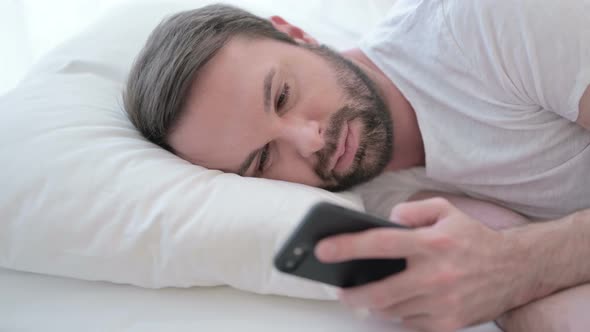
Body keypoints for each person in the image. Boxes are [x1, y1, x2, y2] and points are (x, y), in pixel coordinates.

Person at [123, 1, 590, 331]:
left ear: (295, 33)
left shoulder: (488, 22)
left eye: (282, 96)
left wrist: (521, 264)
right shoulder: (378, 201)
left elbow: (515, 267)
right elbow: (516, 292)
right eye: (264, 158)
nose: (310, 141)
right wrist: (507, 277)